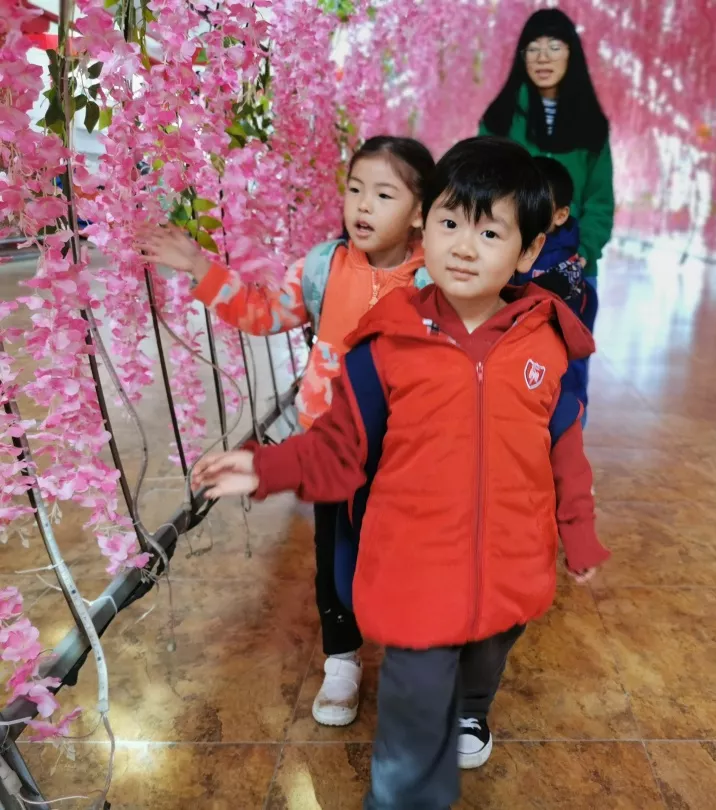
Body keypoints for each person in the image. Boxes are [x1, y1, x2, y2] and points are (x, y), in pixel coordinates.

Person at [190, 136, 611, 809]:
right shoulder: (386, 344)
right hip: (418, 572)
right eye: (449, 223)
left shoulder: (545, 341)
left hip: (511, 563)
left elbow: (566, 446)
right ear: (426, 225)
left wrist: (578, 531)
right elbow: (338, 447)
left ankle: (472, 704)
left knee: (484, 660)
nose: (463, 247)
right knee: (414, 729)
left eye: (490, 231)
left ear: (528, 252)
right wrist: (265, 468)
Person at [136, 136, 436, 729]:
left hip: (406, 456)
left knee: (405, 556)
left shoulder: (435, 277)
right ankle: (342, 657)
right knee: (334, 557)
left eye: (384, 194)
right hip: (328, 448)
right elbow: (262, 312)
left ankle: (416, 658)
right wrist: (200, 268)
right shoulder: (324, 267)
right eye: (355, 191)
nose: (363, 207)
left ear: (421, 212)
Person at [479, 8, 614, 277]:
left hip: (574, 263)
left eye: (554, 47)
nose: (543, 58)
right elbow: (482, 184)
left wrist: (583, 253)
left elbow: (599, 200)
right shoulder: (499, 118)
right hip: (509, 261)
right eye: (533, 49)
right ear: (522, 56)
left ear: (571, 54)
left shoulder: (592, 124)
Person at [511, 156, 596, 416]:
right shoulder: (507, 246)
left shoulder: (567, 269)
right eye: (519, 199)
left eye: (537, 201)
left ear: (560, 215)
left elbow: (571, 345)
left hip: (559, 383)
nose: (526, 209)